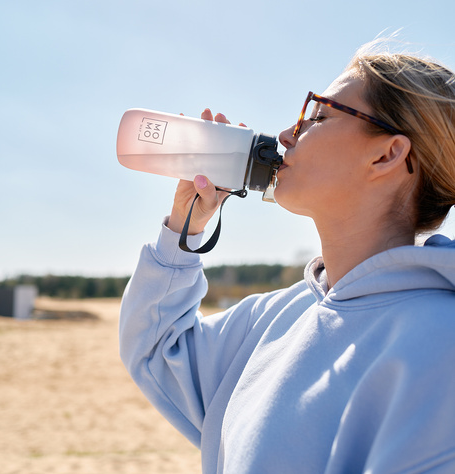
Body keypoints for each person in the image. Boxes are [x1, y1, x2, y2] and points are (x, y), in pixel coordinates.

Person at [119, 41, 455, 473]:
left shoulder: (439, 343)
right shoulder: (274, 318)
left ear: (386, 154)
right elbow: (156, 350)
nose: (286, 135)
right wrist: (186, 224)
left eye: (317, 114)